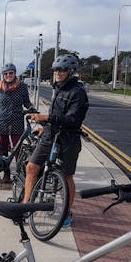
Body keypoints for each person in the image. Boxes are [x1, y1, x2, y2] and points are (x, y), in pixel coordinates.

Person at [24, 54, 89, 227]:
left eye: (62, 70)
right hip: (50, 134)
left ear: (71, 72)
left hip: (68, 139)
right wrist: (44, 125)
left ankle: (66, 212)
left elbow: (73, 120)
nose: (58, 73)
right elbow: (57, 115)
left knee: (66, 176)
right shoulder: (58, 87)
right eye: (56, 70)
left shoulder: (78, 92)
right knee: (31, 167)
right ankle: (26, 207)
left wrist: (47, 117)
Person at [0, 63, 32, 183]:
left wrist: (32, 109)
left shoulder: (22, 87)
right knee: (4, 151)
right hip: (2, 122)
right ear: (3, 75)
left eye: (11, 73)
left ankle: (20, 174)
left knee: (18, 150)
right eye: (6, 73)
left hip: (17, 121)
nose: (8, 75)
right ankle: (6, 175)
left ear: (15, 73)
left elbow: (26, 102)